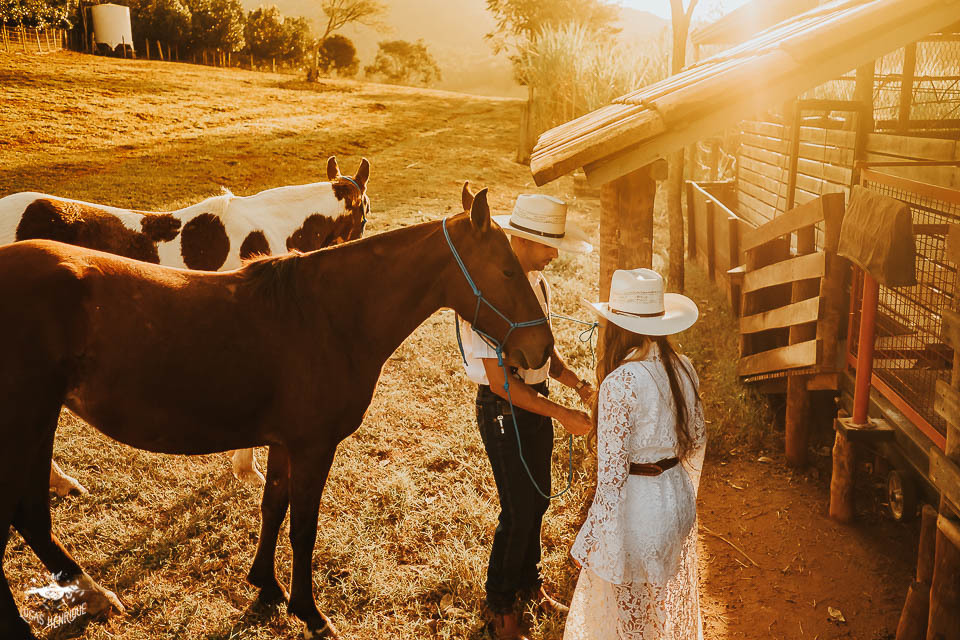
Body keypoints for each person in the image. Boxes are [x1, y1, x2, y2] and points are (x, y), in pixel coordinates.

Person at [459, 193, 595, 640]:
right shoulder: (484, 292)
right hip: (503, 410)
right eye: (549, 244)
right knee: (517, 509)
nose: (555, 254)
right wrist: (562, 415)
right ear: (523, 240)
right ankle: (500, 608)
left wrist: (573, 380)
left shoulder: (536, 282)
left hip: (535, 398)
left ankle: (528, 582)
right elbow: (500, 382)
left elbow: (542, 353)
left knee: (537, 498)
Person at [564, 268, 706, 640]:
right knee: (659, 611)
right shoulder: (684, 367)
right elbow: (697, 437)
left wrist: (589, 540)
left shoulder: (621, 382)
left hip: (642, 516)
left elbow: (611, 479)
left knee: (633, 625)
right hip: (678, 500)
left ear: (616, 326)